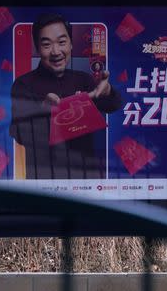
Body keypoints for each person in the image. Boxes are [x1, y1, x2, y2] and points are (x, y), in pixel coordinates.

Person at [9, 13, 122, 180]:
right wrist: (42, 112)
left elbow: (113, 105)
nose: (56, 52)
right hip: (44, 185)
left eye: (62, 42)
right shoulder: (23, 84)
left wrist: (108, 91)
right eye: (47, 44)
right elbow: (18, 134)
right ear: (37, 48)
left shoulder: (83, 79)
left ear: (71, 45)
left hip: (85, 182)